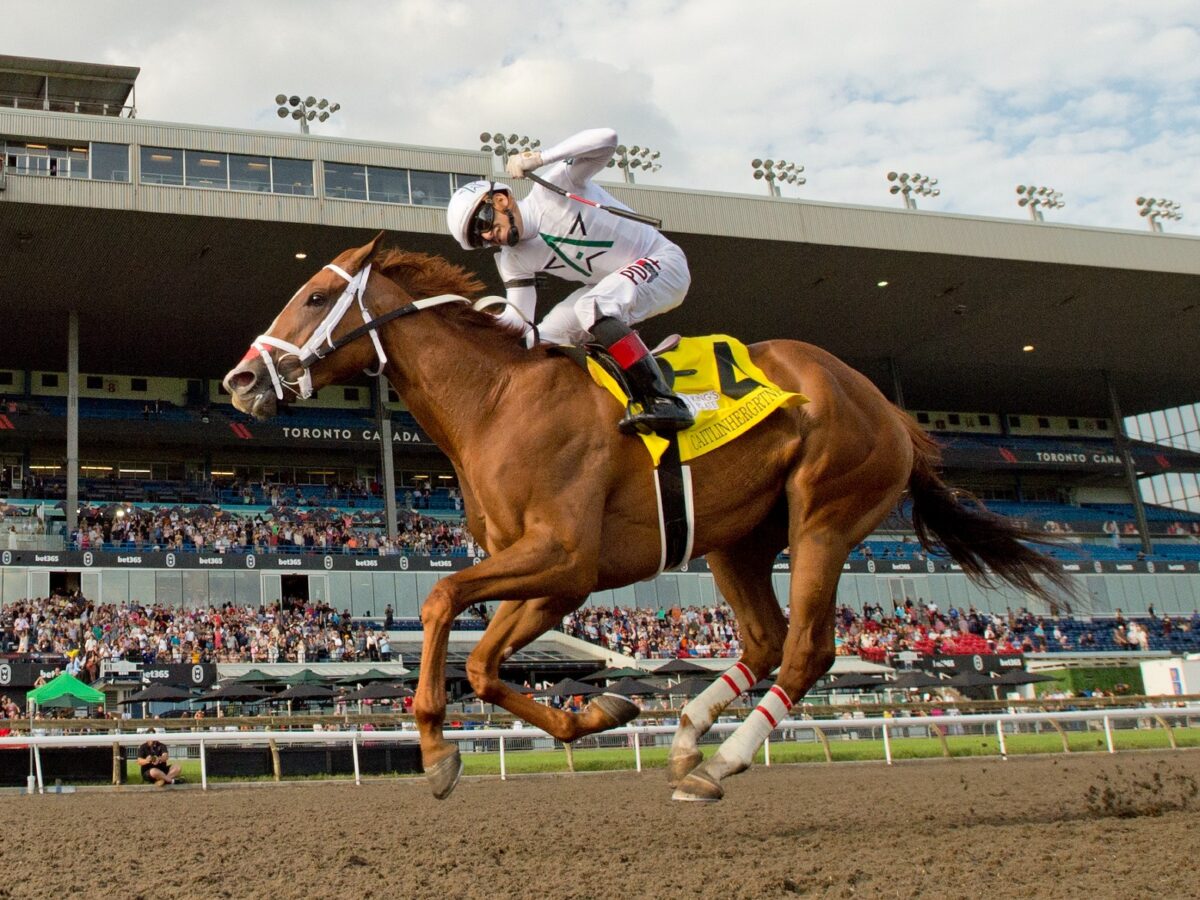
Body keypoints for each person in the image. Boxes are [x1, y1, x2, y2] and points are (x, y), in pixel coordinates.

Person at [445, 127, 694, 434]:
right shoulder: (513, 261)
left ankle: (662, 399)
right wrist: (473, 325)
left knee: (592, 306)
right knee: (542, 340)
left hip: (663, 262)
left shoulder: (553, 186)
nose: (486, 236)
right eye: (478, 238)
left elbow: (608, 138)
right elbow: (520, 324)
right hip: (610, 283)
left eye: (482, 223)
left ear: (500, 199)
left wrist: (540, 158)